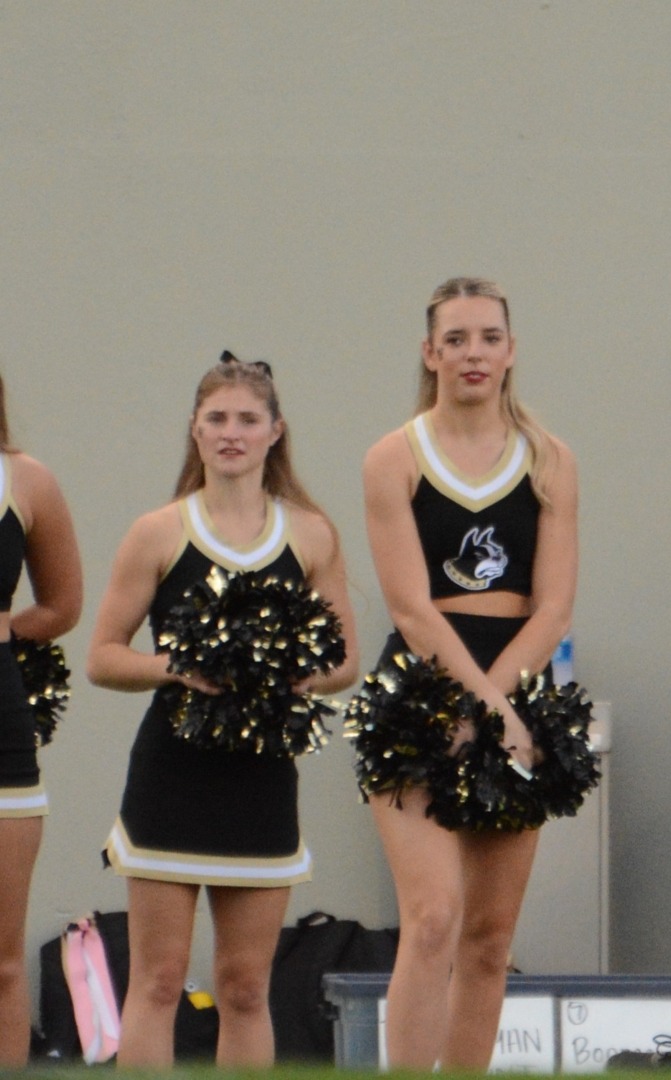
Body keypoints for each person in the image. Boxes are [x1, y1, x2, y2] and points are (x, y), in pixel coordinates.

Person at [87, 355, 357, 1068]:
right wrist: (178, 667)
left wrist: (294, 677)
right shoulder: (158, 531)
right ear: (195, 431)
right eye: (217, 419)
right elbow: (103, 656)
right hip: (170, 777)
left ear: (276, 432)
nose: (231, 433)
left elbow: (345, 663)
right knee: (159, 981)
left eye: (247, 419)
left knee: (244, 988)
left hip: (262, 779)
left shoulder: (311, 535)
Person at [361, 277, 578, 1070]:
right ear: (431, 353)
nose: (473, 353)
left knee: (489, 941)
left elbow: (553, 608)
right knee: (432, 917)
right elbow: (412, 610)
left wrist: (500, 708)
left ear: (511, 351)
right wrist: (479, 706)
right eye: (455, 339)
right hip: (422, 690)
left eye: (488, 337)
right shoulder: (394, 456)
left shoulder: (551, 461)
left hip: (518, 687)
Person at [0, 375, 83, 1069]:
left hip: (2, 737)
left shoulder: (27, 481)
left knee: (1, 963)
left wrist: (6, 628)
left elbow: (61, 604)